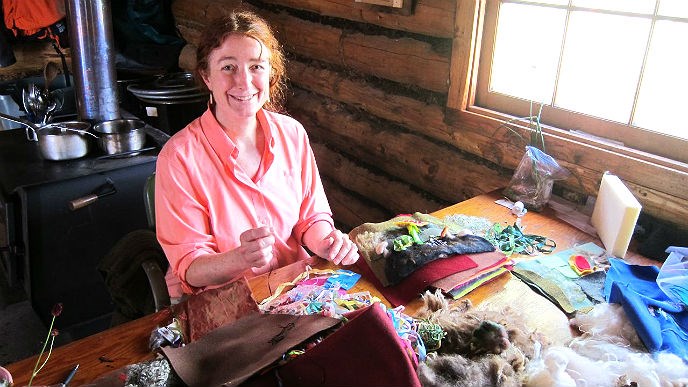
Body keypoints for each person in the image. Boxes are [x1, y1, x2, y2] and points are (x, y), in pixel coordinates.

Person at [155, 10, 359, 300]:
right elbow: (190, 268)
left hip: (295, 288)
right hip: (224, 302)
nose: (244, 82)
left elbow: (310, 217)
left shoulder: (292, 134)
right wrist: (240, 258)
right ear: (206, 76)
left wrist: (327, 243)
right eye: (228, 67)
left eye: (256, 67)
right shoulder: (179, 157)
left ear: (271, 73)